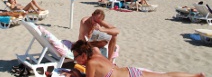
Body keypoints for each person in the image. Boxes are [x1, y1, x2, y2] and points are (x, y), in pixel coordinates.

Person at [62, 40, 205, 77]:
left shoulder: (92, 63)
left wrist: (75, 74)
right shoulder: (96, 53)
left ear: (84, 55)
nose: (75, 60)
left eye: (76, 57)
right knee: (165, 75)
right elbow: (93, 46)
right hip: (130, 71)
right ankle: (194, 76)